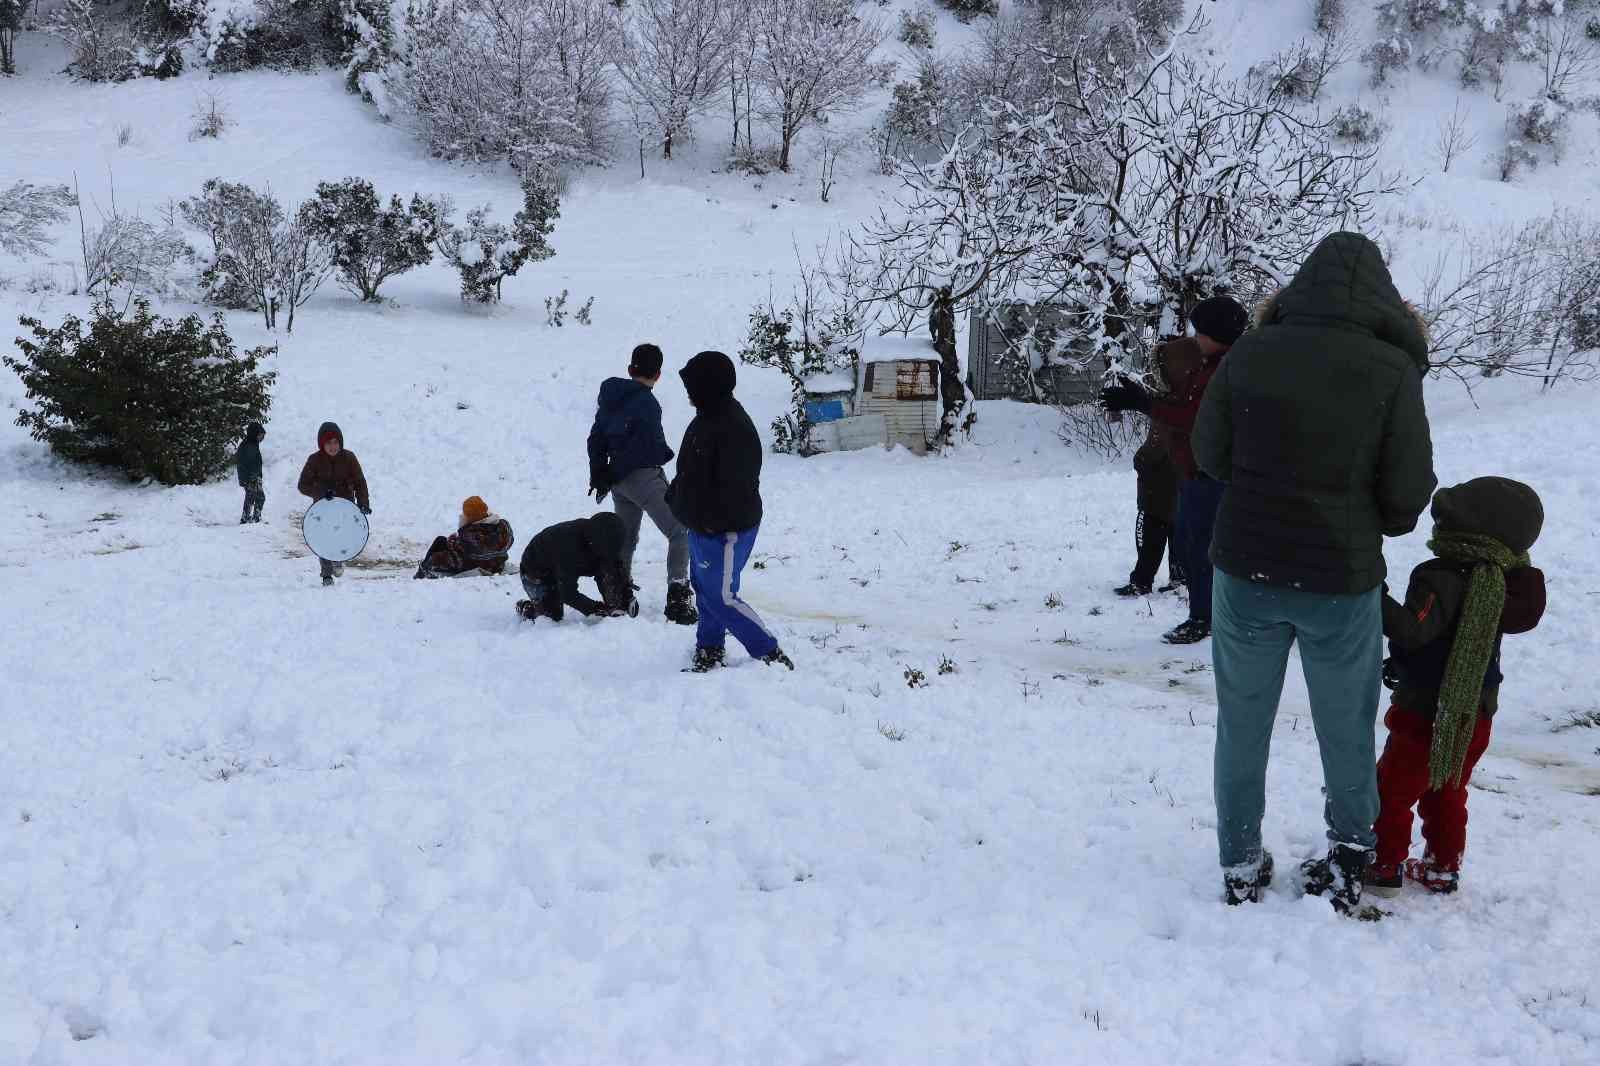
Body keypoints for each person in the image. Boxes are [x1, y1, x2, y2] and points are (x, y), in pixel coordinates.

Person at [1192, 232, 1436, 913]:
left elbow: (1210, 454)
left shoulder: (1249, 353)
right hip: (1340, 581)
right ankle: (1348, 860)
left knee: (1241, 723)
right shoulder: (1391, 370)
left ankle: (1240, 862)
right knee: (1347, 728)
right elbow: (1406, 495)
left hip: (1245, 573)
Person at [1367, 477, 1545, 898]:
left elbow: (1415, 631)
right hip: (1475, 714)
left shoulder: (1442, 576)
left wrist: (1372, 593)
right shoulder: (1503, 580)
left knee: (1390, 791)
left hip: (1426, 714)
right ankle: (1443, 868)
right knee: (1446, 788)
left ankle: (1384, 866)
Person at [1101, 298, 1249, 643]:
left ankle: (1204, 617)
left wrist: (1143, 403)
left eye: (1201, 332)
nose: (1196, 338)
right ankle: (1206, 614)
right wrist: (1143, 400)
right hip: (1200, 471)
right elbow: (1185, 408)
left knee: (1202, 548)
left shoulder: (1224, 370)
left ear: (1218, 334)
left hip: (1211, 473)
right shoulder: (1213, 365)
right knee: (1196, 544)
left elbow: (1192, 418)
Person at [667, 350, 793, 673]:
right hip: (702, 525)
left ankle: (768, 652)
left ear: (708, 387)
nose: (688, 394)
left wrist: (710, 523)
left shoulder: (734, 428)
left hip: (726, 529)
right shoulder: (706, 418)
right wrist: (678, 498)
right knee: (705, 586)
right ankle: (709, 647)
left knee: (722, 596)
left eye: (692, 386)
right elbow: (690, 469)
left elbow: (736, 488)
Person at [588, 343, 696, 625]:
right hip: (641, 477)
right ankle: (678, 596)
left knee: (626, 537)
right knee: (679, 530)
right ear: (658, 375)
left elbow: (596, 439)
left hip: (618, 482)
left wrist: (600, 473)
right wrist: (665, 455)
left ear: (630, 369)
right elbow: (645, 448)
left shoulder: (611, 398)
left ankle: (619, 591)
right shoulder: (647, 403)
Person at [1114, 339, 1195, 597]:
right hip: (1173, 480)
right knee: (1176, 527)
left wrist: (1143, 459)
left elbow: (1159, 444)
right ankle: (1176, 578)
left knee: (1156, 528)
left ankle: (1146, 580)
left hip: (1162, 480)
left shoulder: (1177, 402)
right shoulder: (1182, 398)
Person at [515, 512, 638, 623]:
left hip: (563, 561)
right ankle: (527, 608)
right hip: (536, 572)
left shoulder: (604, 539)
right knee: (551, 617)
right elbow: (567, 593)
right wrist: (596, 609)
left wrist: (626, 596)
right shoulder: (569, 548)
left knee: (609, 571)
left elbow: (616, 567)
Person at [296, 422, 371, 586]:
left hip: (346, 507)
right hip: (322, 509)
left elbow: (360, 482)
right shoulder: (314, 460)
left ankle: (338, 559)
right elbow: (303, 485)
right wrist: (321, 492)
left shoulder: (349, 458)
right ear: (322, 444)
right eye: (328, 443)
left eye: (336, 442)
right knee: (324, 539)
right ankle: (326, 575)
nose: (333, 446)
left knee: (342, 535)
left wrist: (363, 503)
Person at [415, 496, 515, 579]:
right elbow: (478, 545)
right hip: (497, 562)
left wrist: (453, 541)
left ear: (471, 516)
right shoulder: (500, 528)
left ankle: (422, 572)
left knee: (439, 543)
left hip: (473, 564)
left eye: (465, 514)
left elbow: (467, 551)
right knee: (442, 541)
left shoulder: (470, 533)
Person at [236, 422, 266, 524]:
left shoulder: (251, 444)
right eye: (260, 435)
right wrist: (253, 477)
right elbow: (248, 463)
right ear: (254, 434)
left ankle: (249, 518)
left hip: (251, 477)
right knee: (258, 497)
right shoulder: (249, 446)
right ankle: (251, 518)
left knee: (252, 497)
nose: (262, 438)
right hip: (251, 478)